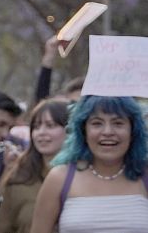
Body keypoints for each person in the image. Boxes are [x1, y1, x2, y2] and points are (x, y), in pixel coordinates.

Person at [31, 95, 148, 233]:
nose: (107, 132)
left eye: (118, 123)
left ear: (133, 132)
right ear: (83, 131)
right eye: (97, 123)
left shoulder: (145, 175)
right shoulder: (59, 178)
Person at [0, 99, 68, 233]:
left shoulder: (84, 178)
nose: (41, 132)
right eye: (36, 127)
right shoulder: (20, 179)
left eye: (50, 125)